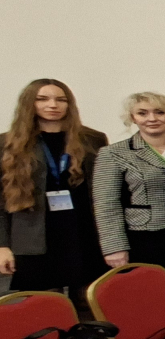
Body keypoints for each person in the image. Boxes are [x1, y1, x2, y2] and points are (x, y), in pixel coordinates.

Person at [0, 79, 109, 299]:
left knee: (90, 300)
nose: (53, 105)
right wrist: (2, 246)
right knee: (47, 304)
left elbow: (106, 190)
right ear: (29, 103)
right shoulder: (7, 143)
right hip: (33, 237)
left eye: (61, 100)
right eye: (42, 99)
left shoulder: (93, 139)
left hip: (83, 233)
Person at [94, 91, 165, 321]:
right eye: (143, 113)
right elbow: (106, 204)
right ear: (133, 117)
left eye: (160, 112)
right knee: (149, 299)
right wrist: (114, 247)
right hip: (143, 236)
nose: (152, 118)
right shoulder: (114, 153)